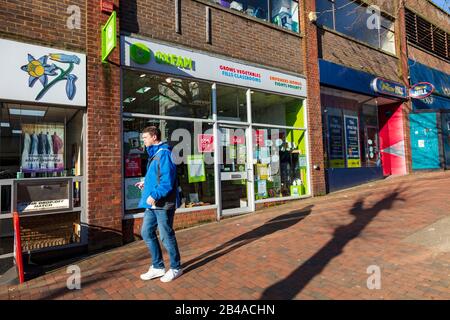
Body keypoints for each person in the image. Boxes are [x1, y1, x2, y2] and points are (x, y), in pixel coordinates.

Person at [136, 126, 182, 283]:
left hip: (162, 203)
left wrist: (154, 194)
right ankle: (158, 267)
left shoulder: (164, 153)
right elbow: (157, 177)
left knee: (165, 236)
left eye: (145, 138)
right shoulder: (155, 154)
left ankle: (176, 267)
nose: (143, 141)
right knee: (146, 232)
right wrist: (145, 183)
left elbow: (167, 181)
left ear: (154, 137)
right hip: (153, 204)